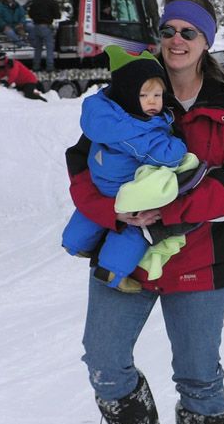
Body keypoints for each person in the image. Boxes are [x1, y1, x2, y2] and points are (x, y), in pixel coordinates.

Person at [64, 0, 224, 424]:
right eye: (170, 30)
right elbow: (82, 169)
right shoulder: (125, 94)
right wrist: (116, 215)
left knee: (198, 371)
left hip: (201, 253)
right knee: (103, 359)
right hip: (124, 248)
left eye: (188, 33)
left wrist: (166, 213)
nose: (177, 40)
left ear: (205, 43)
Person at [62, 44, 190, 293]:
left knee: (91, 213)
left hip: (102, 180)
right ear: (128, 96)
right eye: (143, 96)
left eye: (158, 95)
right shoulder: (134, 130)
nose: (153, 102)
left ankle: (74, 242)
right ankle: (111, 270)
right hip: (124, 187)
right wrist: (179, 142)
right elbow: (167, 157)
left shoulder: (106, 114)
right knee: (139, 226)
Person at [28, 0, 61, 72]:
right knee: (49, 47)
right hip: (46, 26)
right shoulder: (52, 2)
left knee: (38, 47)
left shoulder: (36, 1)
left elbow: (30, 14)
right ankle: (49, 67)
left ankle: (36, 66)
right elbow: (58, 15)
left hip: (36, 26)